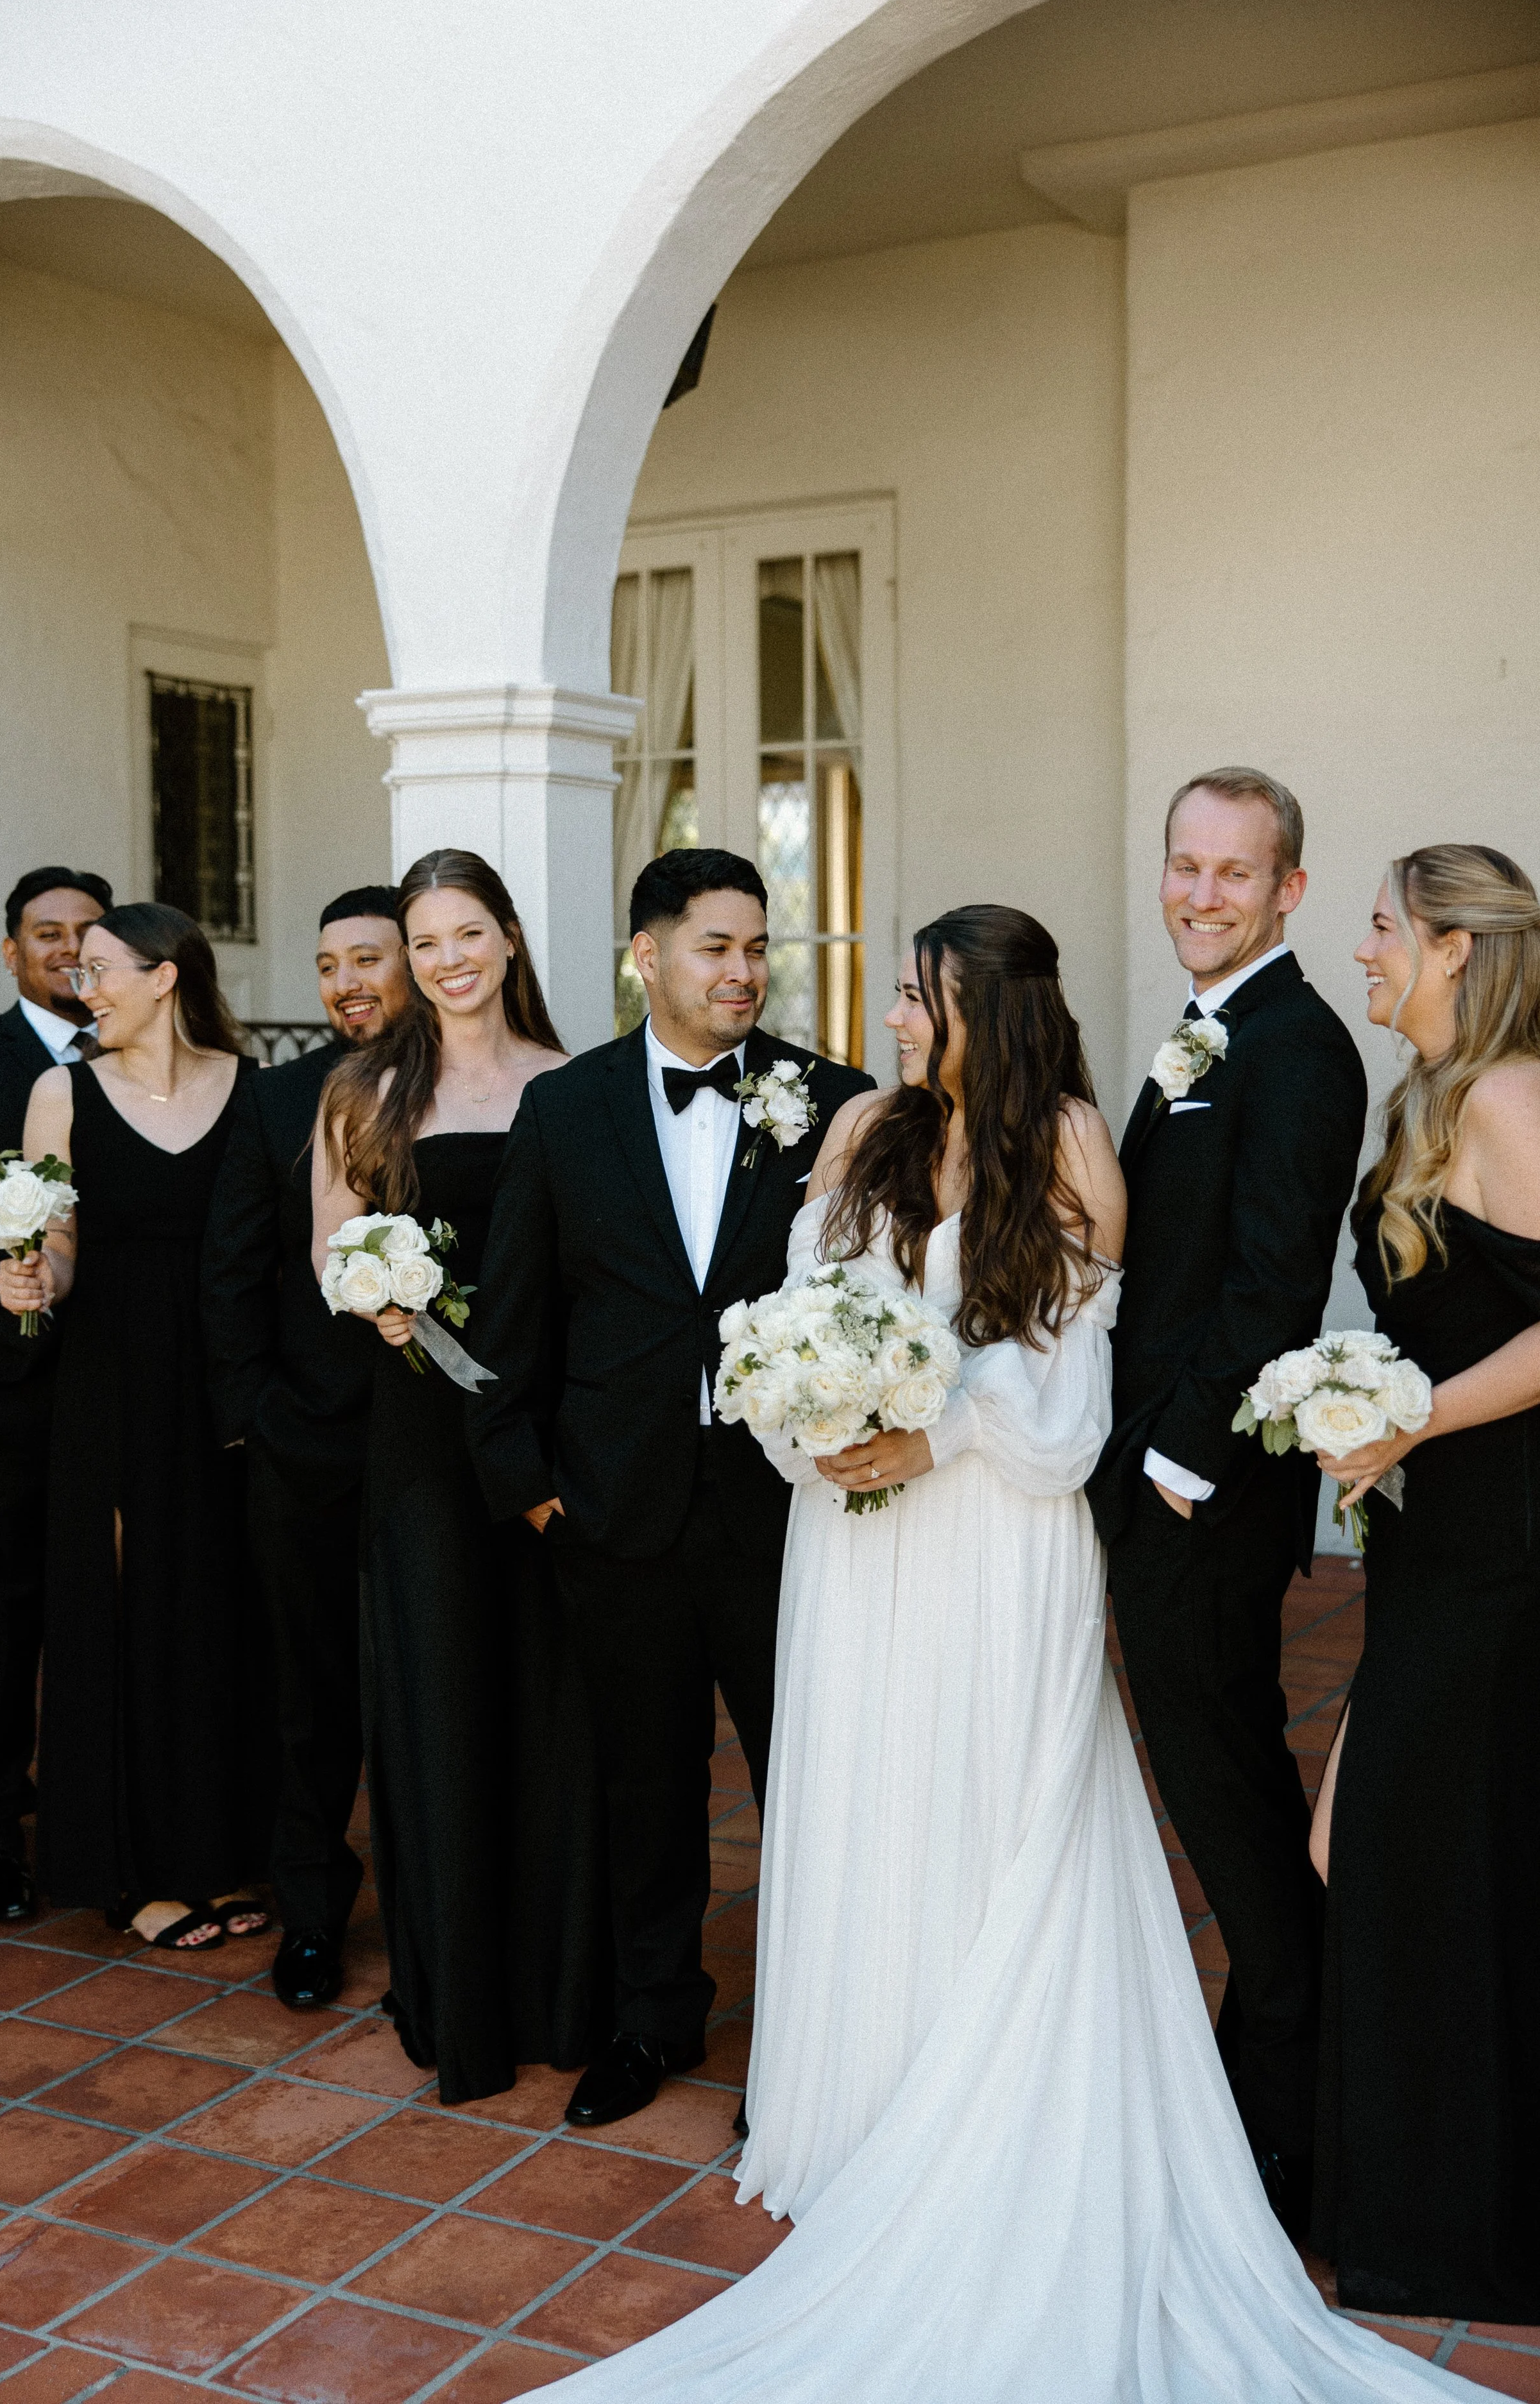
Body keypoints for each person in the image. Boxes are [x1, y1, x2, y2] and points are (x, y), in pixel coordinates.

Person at [536, 906, 1457, 2404]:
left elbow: (1071, 1393)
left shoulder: (1076, 1149)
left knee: (986, 1806)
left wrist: (936, 1421)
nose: (892, 1020)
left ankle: (987, 2119)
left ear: (986, 1011)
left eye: (916, 998)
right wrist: (812, 1420)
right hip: (857, 1538)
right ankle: (861, 2109)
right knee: (865, 1803)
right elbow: (783, 1317)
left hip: (999, 1532)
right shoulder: (861, 1133)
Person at [468, 848, 872, 2131]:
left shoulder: (834, 1101)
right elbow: (513, 1319)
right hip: (613, 1511)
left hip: (785, 1511)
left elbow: (876, 1302)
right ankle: (653, 2020)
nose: (743, 970)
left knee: (806, 1784)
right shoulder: (566, 1109)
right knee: (644, 1790)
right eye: (715, 947)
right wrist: (531, 1489)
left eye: (757, 947)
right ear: (645, 955)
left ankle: (808, 2056)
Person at [1087, 769, 1367, 2243]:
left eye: (1231, 874)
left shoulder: (1298, 1048)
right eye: (1182, 866)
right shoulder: (1218, 1028)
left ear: (1286, 892)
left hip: (1205, 1497)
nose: (1199, 894)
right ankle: (1271, 2093)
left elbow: (1268, 1284)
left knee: (1230, 1806)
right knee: (1230, 1793)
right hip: (1174, 1479)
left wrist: (1167, 1469)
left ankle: (1298, 2137)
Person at [311, 847, 607, 2103]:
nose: (447, 959)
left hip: (538, 1441)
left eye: (466, 933)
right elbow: (332, 1254)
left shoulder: (573, 1085)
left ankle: (561, 1986)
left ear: (509, 939)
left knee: (552, 1709)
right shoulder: (365, 1091)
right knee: (440, 1706)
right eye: (424, 941)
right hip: (420, 1447)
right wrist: (369, 1301)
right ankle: (459, 1993)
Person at [1305, 845, 1540, 2321]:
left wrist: (1410, 1420)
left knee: (1428, 1862)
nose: (1366, 949)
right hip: (1438, 1540)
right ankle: (1419, 2205)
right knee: (1394, 1852)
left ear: (1455, 947)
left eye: (1385, 926)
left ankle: (1464, 2231)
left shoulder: (1512, 1101)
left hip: (1507, 1556)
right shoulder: (1429, 1102)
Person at [0, 903, 276, 1950]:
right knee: (121, 1614)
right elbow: (56, 1243)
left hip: (223, 1380)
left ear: (165, 976)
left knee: (218, 1612)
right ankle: (133, 1870)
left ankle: (218, 1853)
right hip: (110, 1387)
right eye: (76, 969)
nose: (83, 985)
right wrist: (33, 1275)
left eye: (102, 967)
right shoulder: (58, 1092)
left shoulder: (251, 1089)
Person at [201, 887, 411, 2009]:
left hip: (436, 1446)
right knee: (310, 1693)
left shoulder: (469, 1092)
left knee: (428, 1687)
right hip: (303, 1446)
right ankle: (315, 1917)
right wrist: (259, 1417)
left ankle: (438, 1916)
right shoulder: (277, 1098)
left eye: (368, 958)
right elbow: (230, 1269)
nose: (345, 983)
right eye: (328, 964)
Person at [0, 865, 112, 1922]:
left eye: (87, 932)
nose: (66, 948)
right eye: (46, 933)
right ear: (12, 951)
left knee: (93, 1618)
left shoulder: (142, 1058)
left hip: (104, 1395)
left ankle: (95, 1825)